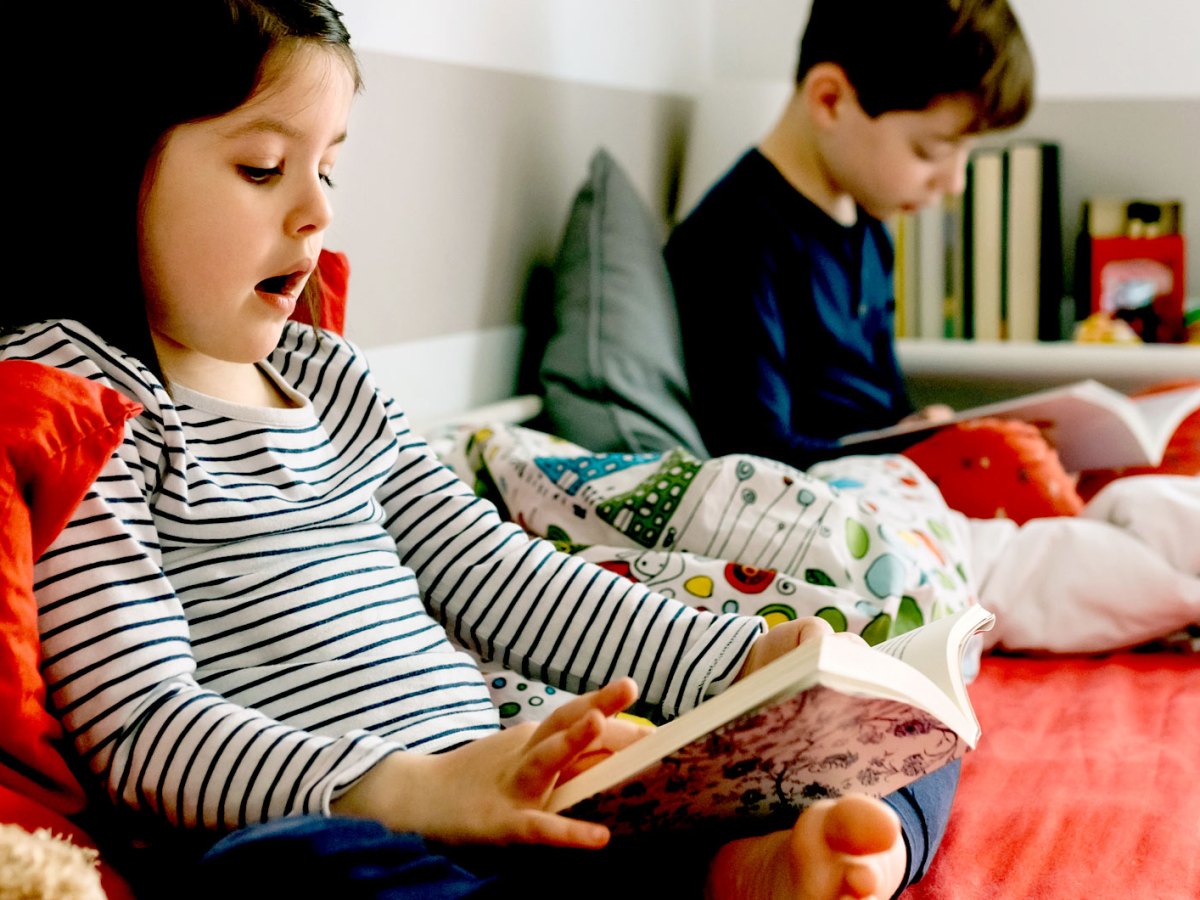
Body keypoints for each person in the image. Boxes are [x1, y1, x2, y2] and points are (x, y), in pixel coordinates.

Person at [1, 3, 959, 898]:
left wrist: (740, 665)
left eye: (327, 167)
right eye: (262, 168)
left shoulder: (326, 374)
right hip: (325, 816)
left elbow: (493, 571)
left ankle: (773, 859)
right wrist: (417, 790)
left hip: (501, 778)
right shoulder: (77, 400)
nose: (316, 211)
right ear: (112, 165)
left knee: (913, 735)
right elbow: (141, 727)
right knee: (307, 873)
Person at [664, 0, 1034, 468]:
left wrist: (919, 427)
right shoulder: (735, 241)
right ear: (829, 100)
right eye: (930, 150)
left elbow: (878, 405)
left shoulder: (869, 229)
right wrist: (913, 450)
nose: (954, 183)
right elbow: (754, 454)